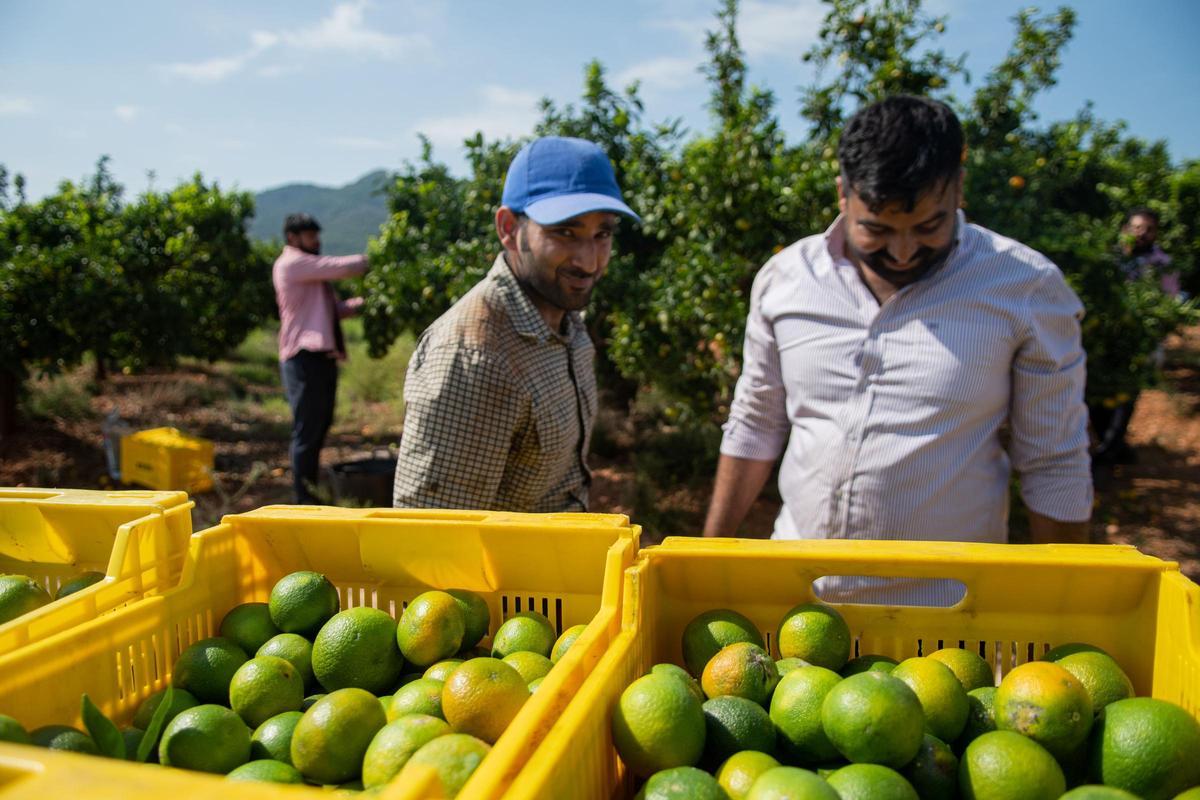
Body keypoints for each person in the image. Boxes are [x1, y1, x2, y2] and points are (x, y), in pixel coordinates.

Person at [702, 95, 1092, 604]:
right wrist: (706, 559)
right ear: (843, 195)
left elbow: (1054, 460)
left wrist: (1069, 602)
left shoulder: (1025, 288)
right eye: (877, 229)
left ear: (959, 188)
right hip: (796, 596)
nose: (903, 252)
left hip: (946, 609)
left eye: (929, 226)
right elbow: (756, 421)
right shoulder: (787, 279)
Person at [392, 136, 639, 511]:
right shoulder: (475, 358)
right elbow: (434, 534)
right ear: (509, 228)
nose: (589, 262)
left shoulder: (566, 320)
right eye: (565, 232)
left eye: (602, 234)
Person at [273, 213, 367, 504]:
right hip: (303, 357)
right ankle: (304, 499)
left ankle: (309, 492)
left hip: (320, 357)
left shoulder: (309, 274)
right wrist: (374, 260)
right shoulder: (293, 263)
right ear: (293, 238)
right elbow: (341, 267)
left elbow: (332, 311)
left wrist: (363, 304)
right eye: (311, 236)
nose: (316, 241)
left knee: (319, 425)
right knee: (308, 429)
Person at [1090, 207, 1181, 466]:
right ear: (1125, 229)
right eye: (1138, 227)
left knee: (1127, 394)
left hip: (1140, 341)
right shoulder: (1108, 261)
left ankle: (1108, 450)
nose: (1142, 233)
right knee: (1097, 394)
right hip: (1104, 339)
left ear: (1156, 234)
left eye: (1149, 229)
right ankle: (1115, 446)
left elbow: (1170, 303)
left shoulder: (1163, 265)